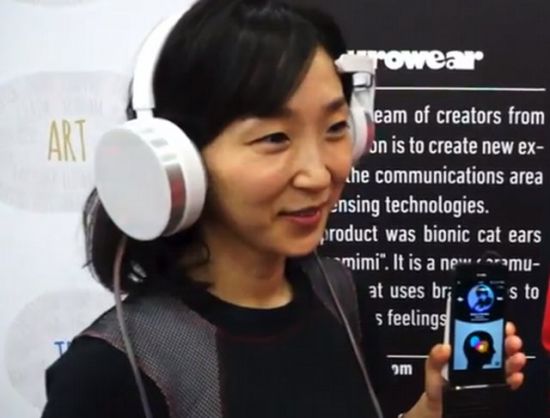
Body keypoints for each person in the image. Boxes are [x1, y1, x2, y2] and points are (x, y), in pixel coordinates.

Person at [41, 0, 526, 417]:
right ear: (176, 157)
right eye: (274, 138)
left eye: (336, 128)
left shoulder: (340, 294)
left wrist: (431, 408)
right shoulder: (110, 371)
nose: (319, 174)